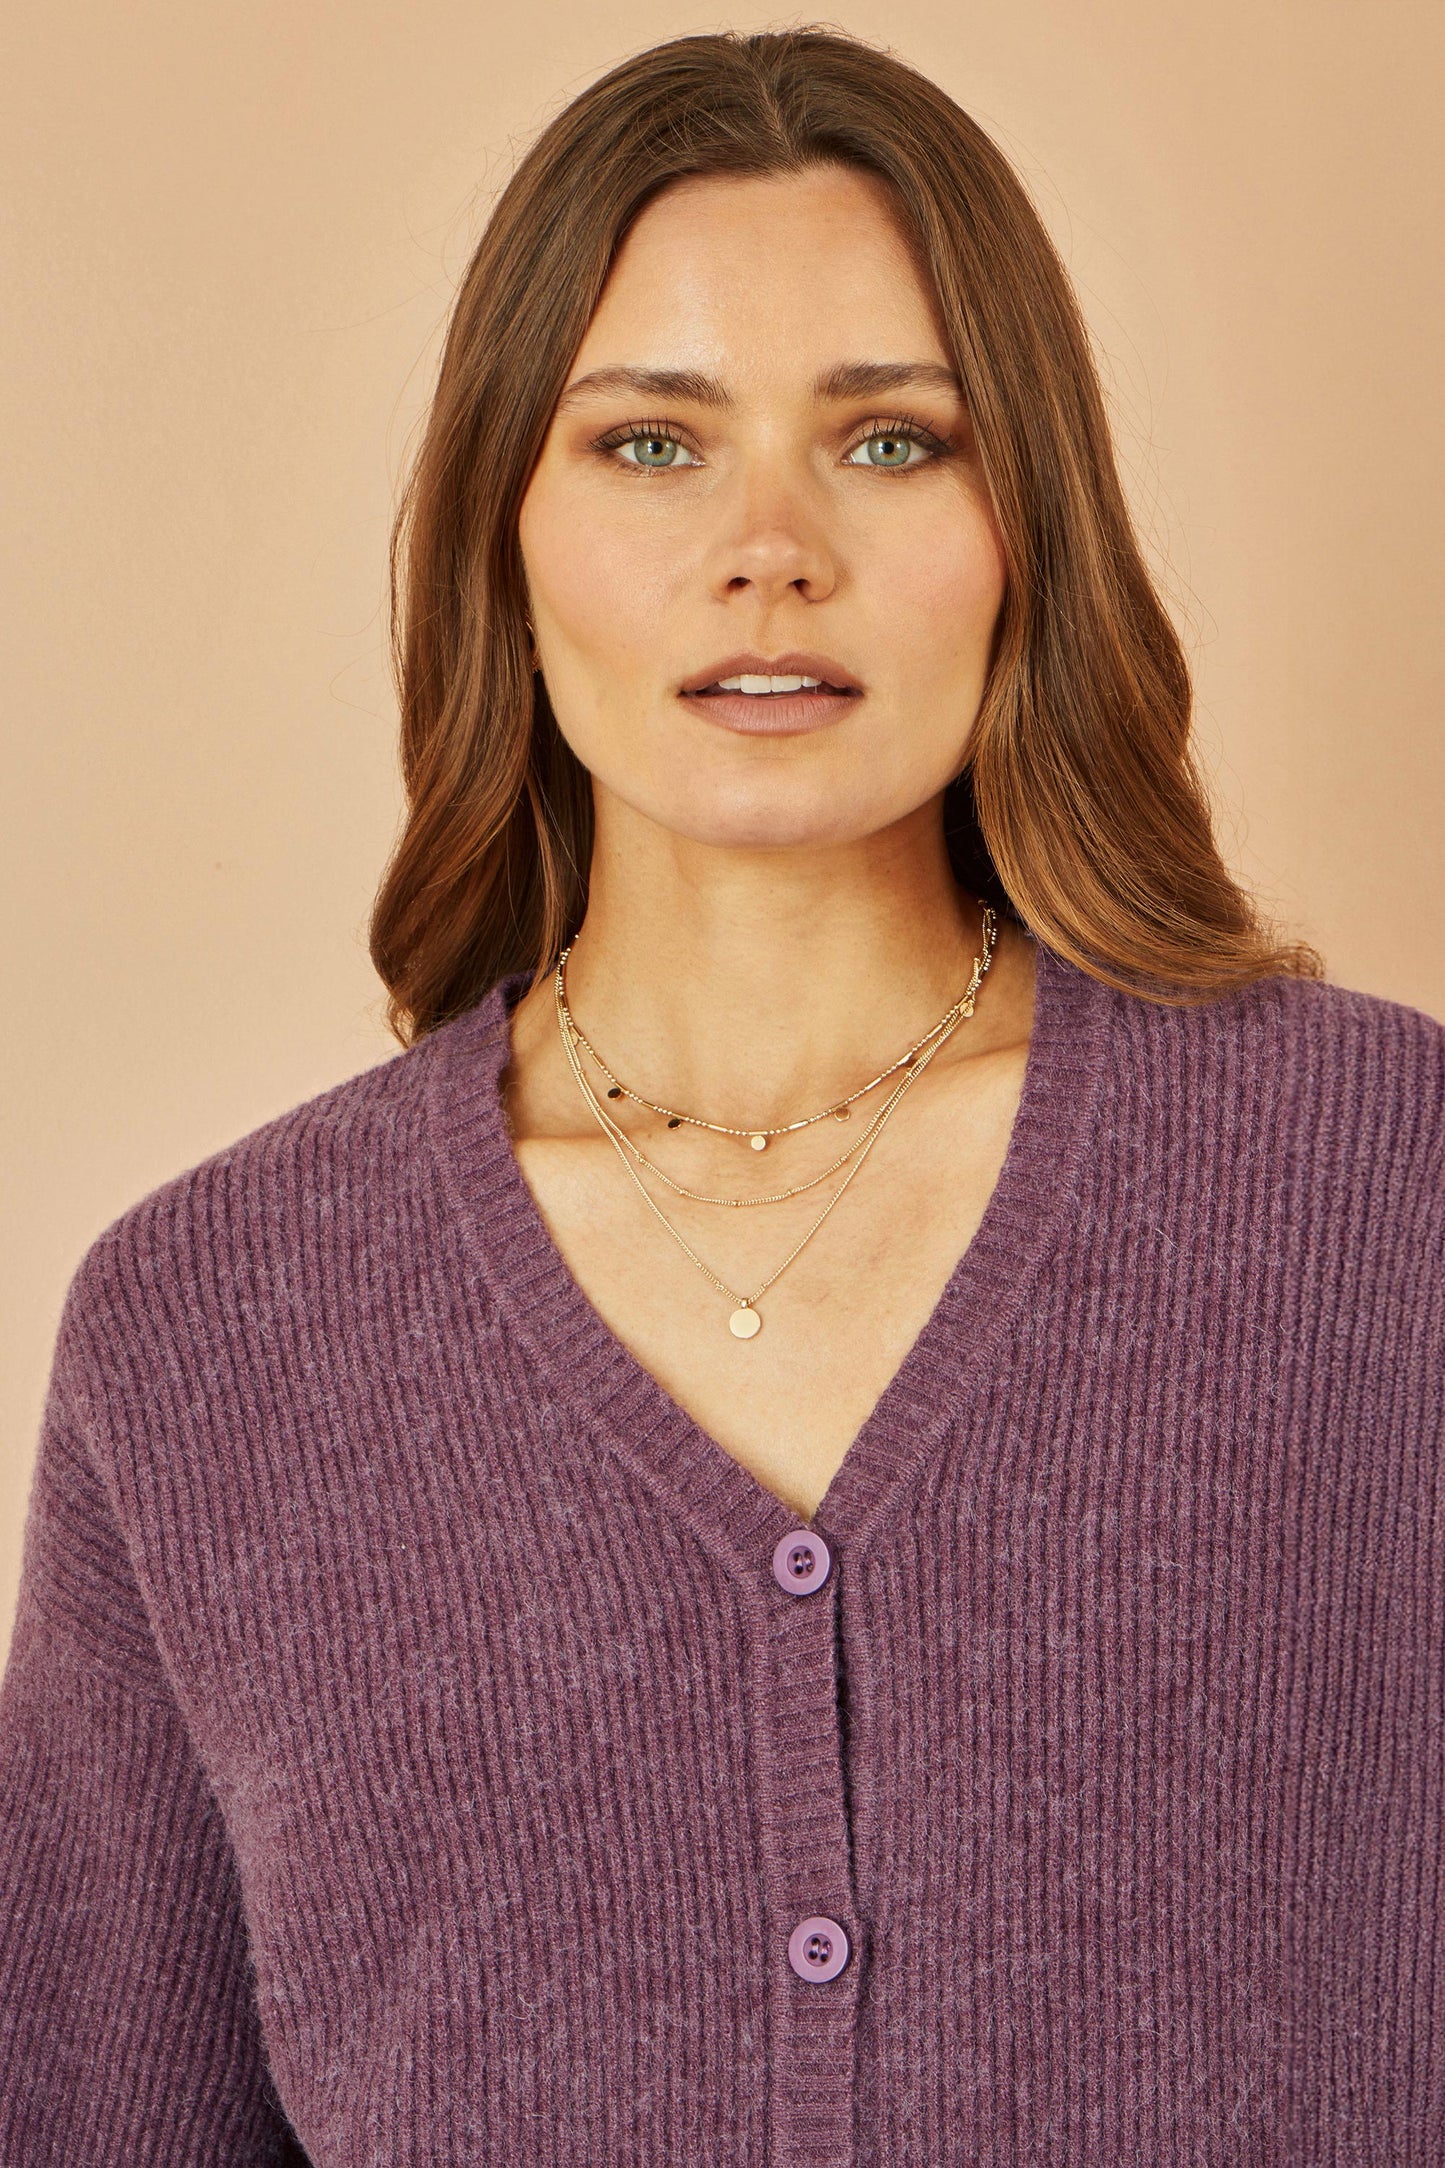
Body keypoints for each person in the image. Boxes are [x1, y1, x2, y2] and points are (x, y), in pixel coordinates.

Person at [2, 25, 1441, 2165]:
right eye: (651, 446)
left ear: (1026, 519)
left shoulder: (1382, 1200)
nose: (771, 546)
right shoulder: (210, 1334)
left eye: (892, 441)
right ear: (509, 526)